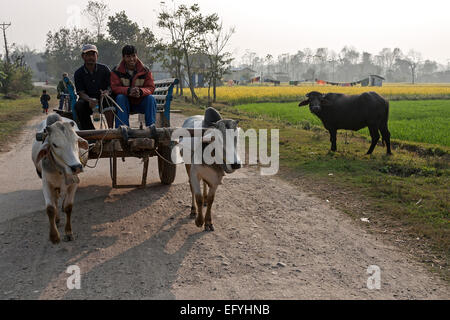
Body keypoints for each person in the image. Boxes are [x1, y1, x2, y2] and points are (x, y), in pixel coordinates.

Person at [110, 45, 157, 128]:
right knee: (120, 97)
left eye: (133, 56)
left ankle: (151, 127)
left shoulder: (145, 70)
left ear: (136, 55)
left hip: (140, 102)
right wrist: (129, 91)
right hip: (125, 103)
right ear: (123, 57)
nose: (132, 59)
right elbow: (115, 87)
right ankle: (122, 128)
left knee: (150, 98)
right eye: (128, 56)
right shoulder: (116, 71)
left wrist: (140, 91)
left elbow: (151, 87)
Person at [73, 44, 111, 130]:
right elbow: (81, 93)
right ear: (83, 56)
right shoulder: (78, 73)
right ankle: (90, 132)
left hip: (103, 99)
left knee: (109, 101)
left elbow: (111, 86)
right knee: (79, 106)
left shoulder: (104, 69)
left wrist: (107, 92)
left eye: (93, 54)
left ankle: (111, 130)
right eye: (88, 55)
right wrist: (89, 100)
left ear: (97, 56)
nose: (91, 57)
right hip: (87, 101)